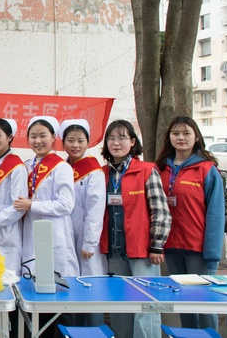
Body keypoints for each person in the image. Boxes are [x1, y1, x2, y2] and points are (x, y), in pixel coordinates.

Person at [99, 120, 171, 338]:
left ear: (132, 142)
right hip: (114, 251)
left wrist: (156, 246)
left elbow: (160, 211)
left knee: (145, 305)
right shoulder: (102, 173)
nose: (116, 143)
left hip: (142, 251)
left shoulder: (147, 170)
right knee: (120, 305)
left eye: (122, 138)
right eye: (111, 138)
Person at [155, 116, 224, 331]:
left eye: (186, 133)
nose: (181, 138)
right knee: (184, 304)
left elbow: (216, 214)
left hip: (197, 249)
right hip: (171, 247)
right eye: (175, 133)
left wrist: (212, 254)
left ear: (196, 137)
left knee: (204, 304)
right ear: (169, 137)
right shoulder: (159, 169)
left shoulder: (207, 169)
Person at [14, 116, 78, 338]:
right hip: (31, 236)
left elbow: (66, 205)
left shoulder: (61, 167)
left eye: (43, 135)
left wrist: (32, 205)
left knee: (58, 298)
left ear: (53, 138)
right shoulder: (26, 166)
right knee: (34, 297)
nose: (38, 140)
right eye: (33, 136)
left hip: (55, 236)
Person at [59, 119, 107, 327]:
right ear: (63, 143)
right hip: (65, 236)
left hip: (86, 241)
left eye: (80, 140)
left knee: (91, 288)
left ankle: (94, 330)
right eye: (70, 140)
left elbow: (95, 210)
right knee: (71, 287)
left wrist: (89, 242)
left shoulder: (93, 172)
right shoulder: (60, 168)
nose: (75, 145)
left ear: (88, 143)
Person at [0, 118, 26, 338]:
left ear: (10, 137)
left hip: (7, 235)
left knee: (10, 291)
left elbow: (18, 206)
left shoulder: (17, 167)